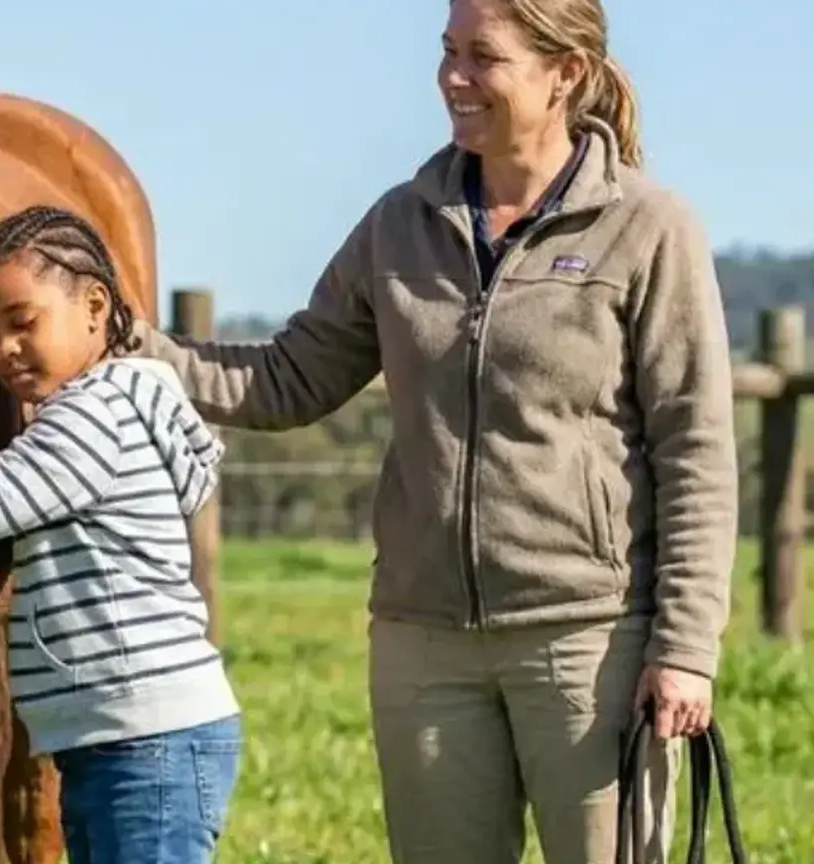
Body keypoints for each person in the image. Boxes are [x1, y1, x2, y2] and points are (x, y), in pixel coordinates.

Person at [130, 0, 736, 861]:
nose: (454, 77)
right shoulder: (397, 224)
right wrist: (133, 348)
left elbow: (696, 454)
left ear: (565, 72)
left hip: (590, 642)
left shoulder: (648, 229)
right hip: (424, 645)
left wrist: (684, 649)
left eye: (483, 57)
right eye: (447, 51)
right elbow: (287, 376)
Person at [0, 204, 244, 863]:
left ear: (96, 307)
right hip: (125, 736)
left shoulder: (91, 418)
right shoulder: (121, 402)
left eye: (22, 322)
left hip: (143, 741)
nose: (4, 351)